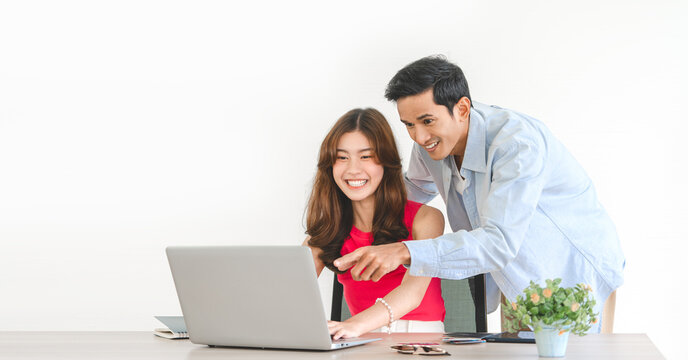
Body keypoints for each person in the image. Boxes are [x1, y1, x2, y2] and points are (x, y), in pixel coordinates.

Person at [333, 56, 625, 333]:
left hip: (570, 275)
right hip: (516, 281)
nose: (419, 138)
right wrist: (355, 192)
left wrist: (405, 251)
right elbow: (413, 191)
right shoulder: (430, 145)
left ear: (462, 108)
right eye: (409, 125)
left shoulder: (517, 145)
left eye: (427, 121)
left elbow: (498, 242)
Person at [303, 108, 446, 339]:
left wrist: (353, 325)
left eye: (366, 156)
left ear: (386, 162)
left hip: (419, 341)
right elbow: (286, 293)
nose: (353, 169)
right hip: (360, 341)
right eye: (342, 157)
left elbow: (412, 292)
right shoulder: (325, 232)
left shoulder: (426, 218)